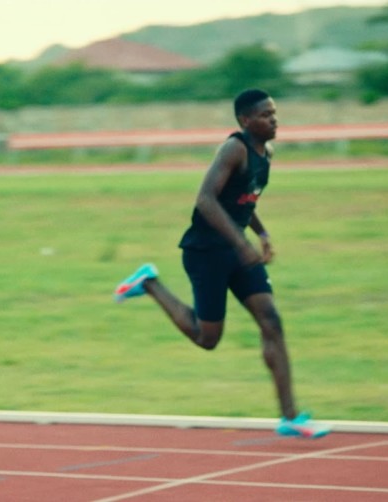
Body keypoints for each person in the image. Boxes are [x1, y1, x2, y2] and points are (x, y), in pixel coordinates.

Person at [114, 89, 331, 440]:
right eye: (265, 115)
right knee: (207, 338)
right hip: (207, 251)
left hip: (238, 249)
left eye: (274, 113)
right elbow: (206, 199)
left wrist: (262, 234)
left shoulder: (266, 153)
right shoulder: (234, 149)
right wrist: (241, 243)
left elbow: (244, 200)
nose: (274, 120)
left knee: (271, 321)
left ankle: (290, 417)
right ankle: (150, 284)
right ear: (245, 120)